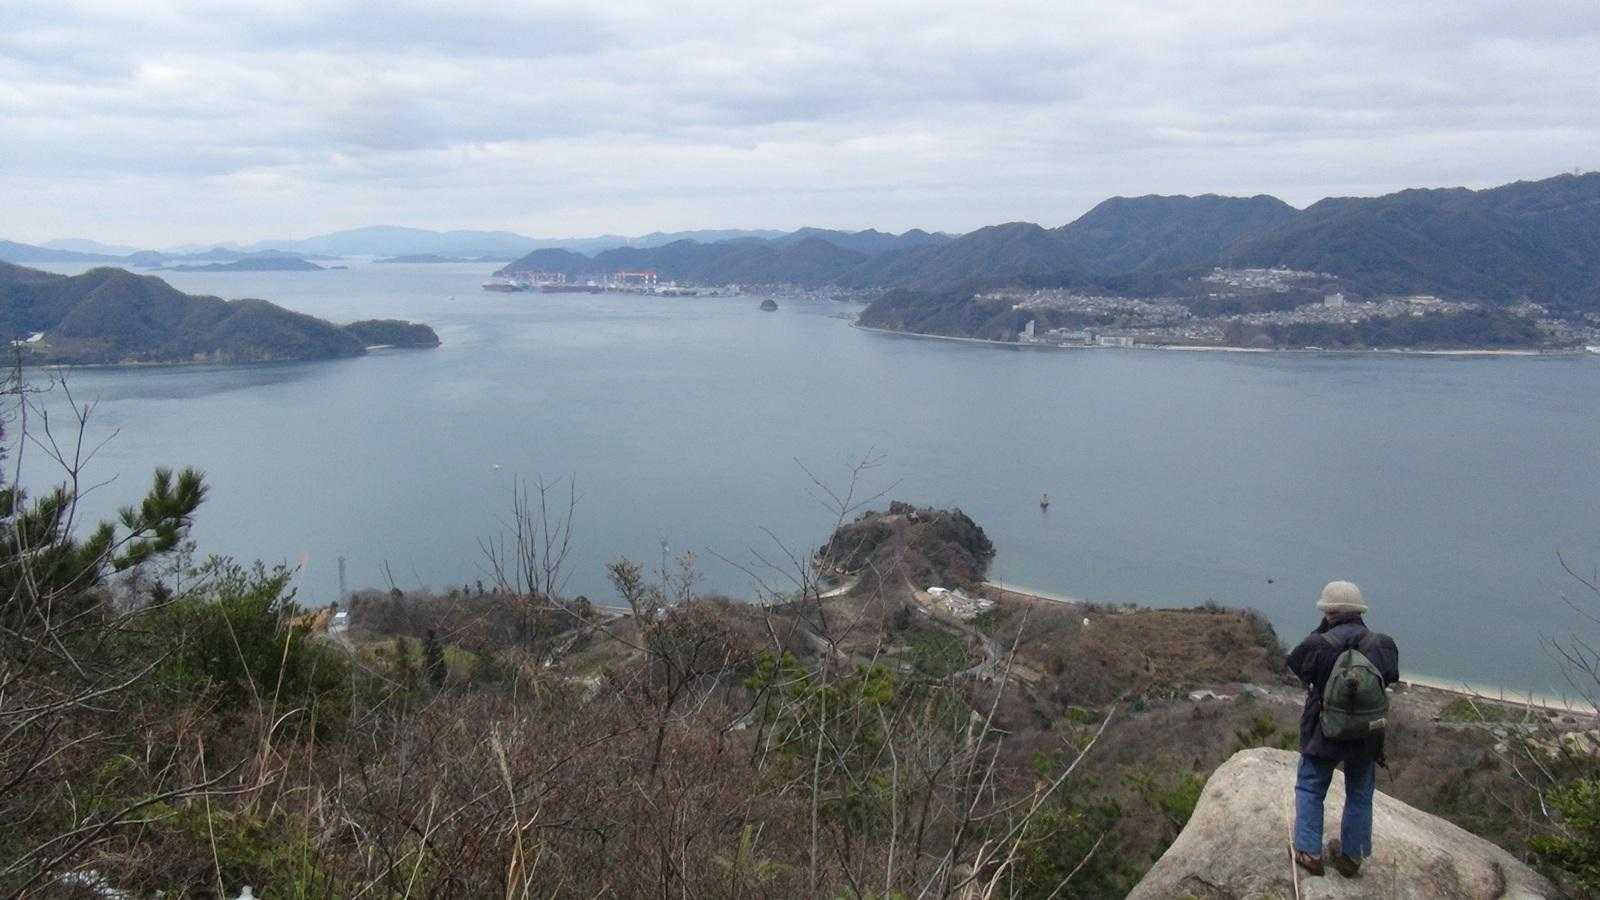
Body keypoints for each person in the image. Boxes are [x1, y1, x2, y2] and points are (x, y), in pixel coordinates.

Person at [1285, 581, 1399, 878]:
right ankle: (1352, 856)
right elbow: (1390, 676)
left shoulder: (1317, 644)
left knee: (1311, 785)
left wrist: (1321, 633)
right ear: (1360, 612)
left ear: (1328, 611)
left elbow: (1297, 666)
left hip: (1325, 729)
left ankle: (1309, 852)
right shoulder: (1382, 644)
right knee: (1360, 791)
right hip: (1366, 732)